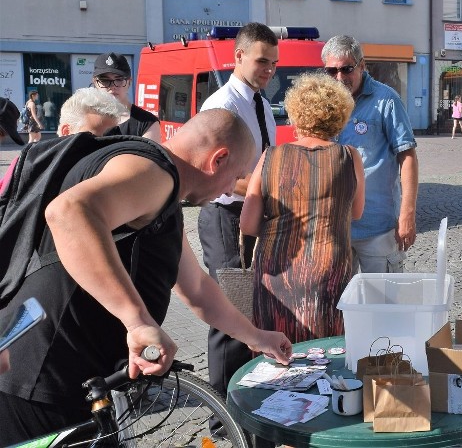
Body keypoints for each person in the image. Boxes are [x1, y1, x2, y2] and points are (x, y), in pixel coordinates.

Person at [0, 109, 293, 444]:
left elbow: (196, 288)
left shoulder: (164, 191)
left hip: (79, 377)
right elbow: (68, 213)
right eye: (235, 178)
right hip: (42, 377)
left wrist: (257, 337)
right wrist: (138, 321)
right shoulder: (153, 169)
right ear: (218, 159)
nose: (230, 191)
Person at [241, 72, 365, 342]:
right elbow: (356, 213)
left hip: (276, 268)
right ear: (339, 115)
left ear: (296, 112)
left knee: (275, 350)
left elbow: (248, 225)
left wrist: (279, 221)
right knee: (325, 350)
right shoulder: (349, 157)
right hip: (328, 266)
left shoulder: (271, 156)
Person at [197, 22, 279, 400]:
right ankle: (223, 411)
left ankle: (243, 397)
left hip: (250, 214)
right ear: (239, 56)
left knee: (247, 305)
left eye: (274, 63)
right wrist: (276, 189)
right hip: (224, 216)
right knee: (229, 310)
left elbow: (264, 165)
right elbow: (215, 172)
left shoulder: (261, 103)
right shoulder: (221, 105)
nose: (269, 69)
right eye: (262, 61)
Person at [322, 35, 418, 273]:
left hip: (378, 227)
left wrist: (407, 213)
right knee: (342, 306)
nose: (340, 77)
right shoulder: (323, 102)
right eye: (332, 71)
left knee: (384, 304)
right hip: (335, 229)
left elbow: (407, 157)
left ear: (362, 66)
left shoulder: (386, 100)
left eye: (347, 69)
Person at [0, 89, 124, 194]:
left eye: (112, 137)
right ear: (66, 131)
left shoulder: (114, 172)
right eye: (94, 137)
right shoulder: (25, 166)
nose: (105, 145)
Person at [92, 52, 161, 141]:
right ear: (95, 83)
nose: (113, 86)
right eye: (105, 80)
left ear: (129, 82)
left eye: (119, 79)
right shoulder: (85, 119)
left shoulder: (147, 123)